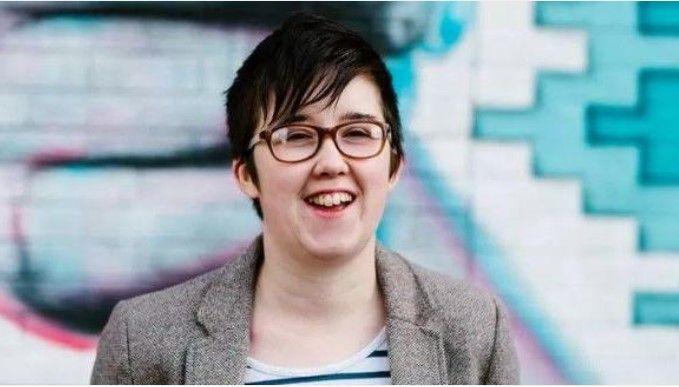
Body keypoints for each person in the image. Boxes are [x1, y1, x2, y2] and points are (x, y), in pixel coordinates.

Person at [91, 12, 519, 385]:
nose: (331, 162)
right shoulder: (143, 342)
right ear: (246, 174)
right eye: (296, 136)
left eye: (357, 134)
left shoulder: (474, 330)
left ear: (393, 166)